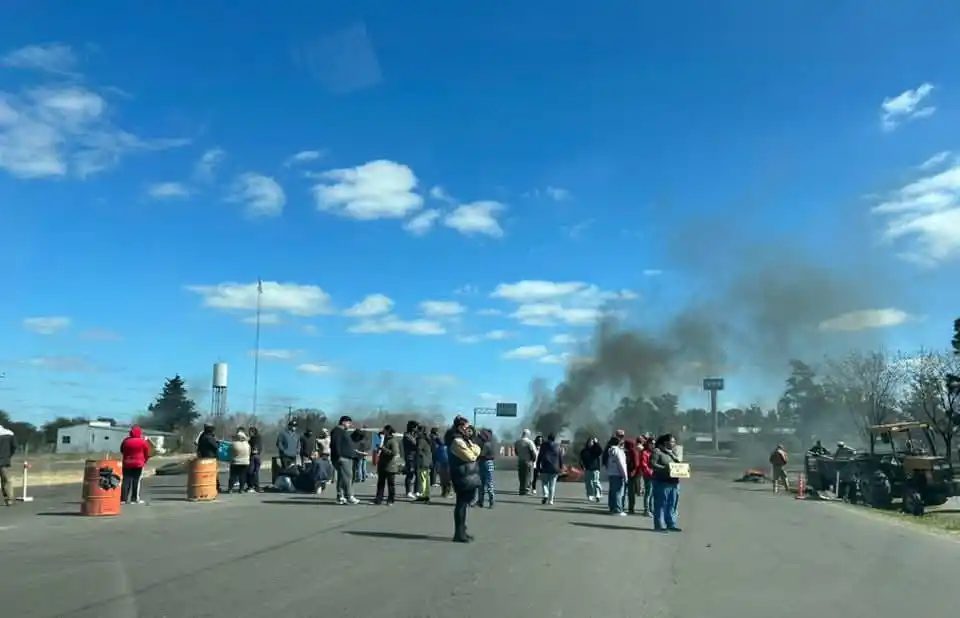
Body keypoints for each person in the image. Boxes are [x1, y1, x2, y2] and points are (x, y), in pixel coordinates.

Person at [445, 415, 481, 543]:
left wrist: (473, 446)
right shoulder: (457, 441)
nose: (468, 429)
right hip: (461, 475)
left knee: (464, 504)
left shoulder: (464, 439)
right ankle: (459, 533)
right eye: (466, 427)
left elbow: (474, 451)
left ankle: (462, 530)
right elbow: (470, 456)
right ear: (460, 427)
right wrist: (475, 448)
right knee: (461, 504)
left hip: (467, 475)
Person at [650, 433, 682, 532]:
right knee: (660, 505)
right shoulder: (657, 451)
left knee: (672, 504)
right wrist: (665, 468)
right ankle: (659, 525)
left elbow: (678, 464)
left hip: (674, 482)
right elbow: (652, 464)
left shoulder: (673, 453)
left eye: (674, 442)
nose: (673, 444)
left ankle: (671, 524)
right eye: (671, 441)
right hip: (661, 482)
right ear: (665, 442)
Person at [330, 415, 362, 505]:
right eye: (348, 422)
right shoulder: (337, 431)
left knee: (342, 478)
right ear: (343, 422)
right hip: (342, 458)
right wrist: (339, 456)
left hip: (346, 457)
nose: (350, 424)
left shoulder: (342, 431)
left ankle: (341, 496)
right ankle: (349, 496)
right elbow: (336, 444)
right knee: (348, 477)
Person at [119, 425, 152, 505]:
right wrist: (144, 460)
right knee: (136, 480)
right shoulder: (142, 442)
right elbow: (147, 453)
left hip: (127, 463)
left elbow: (122, 450)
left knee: (126, 480)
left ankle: (123, 499)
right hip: (138, 464)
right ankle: (134, 498)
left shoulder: (126, 441)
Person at [374, 425, 403, 505]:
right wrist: (379, 449)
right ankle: (378, 499)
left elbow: (394, 453)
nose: (383, 432)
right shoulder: (383, 439)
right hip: (382, 465)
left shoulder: (393, 441)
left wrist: (383, 448)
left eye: (385, 430)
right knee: (380, 484)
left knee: (391, 484)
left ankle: (391, 499)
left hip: (390, 466)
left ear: (388, 431)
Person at [536, 432, 563, 506]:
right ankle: (551, 500)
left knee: (544, 483)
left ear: (548, 438)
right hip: (555, 468)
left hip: (545, 467)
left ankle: (545, 494)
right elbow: (560, 457)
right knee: (552, 485)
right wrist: (561, 467)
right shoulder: (558, 446)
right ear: (554, 439)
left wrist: (538, 467)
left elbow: (540, 457)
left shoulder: (543, 445)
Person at [196, 423, 222, 493]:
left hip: (203, 456)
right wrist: (218, 442)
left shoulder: (202, 436)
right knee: (212, 472)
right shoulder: (209, 437)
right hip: (210, 457)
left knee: (206, 473)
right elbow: (216, 446)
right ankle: (216, 487)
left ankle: (207, 486)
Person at [605, 434, 627, 516]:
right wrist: (625, 475)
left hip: (611, 473)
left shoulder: (610, 450)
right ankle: (618, 509)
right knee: (618, 492)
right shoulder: (618, 451)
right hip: (618, 473)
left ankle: (612, 507)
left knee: (613, 491)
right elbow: (621, 464)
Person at [476, 428, 498, 508]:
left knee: (487, 483)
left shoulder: (486, 444)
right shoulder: (490, 443)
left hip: (485, 463)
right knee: (485, 483)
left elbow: (482, 454)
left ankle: (488, 501)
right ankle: (483, 501)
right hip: (487, 463)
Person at [579, 436, 603, 502]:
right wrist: (582, 466)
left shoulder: (595, 449)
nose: (590, 443)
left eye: (592, 442)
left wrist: (596, 443)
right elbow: (581, 459)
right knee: (588, 483)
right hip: (587, 469)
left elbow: (600, 451)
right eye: (589, 442)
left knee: (596, 482)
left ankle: (598, 495)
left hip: (595, 469)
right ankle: (590, 495)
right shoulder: (584, 451)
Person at [514, 429, 537, 496]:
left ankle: (521, 489)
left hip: (520, 461)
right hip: (528, 461)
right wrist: (533, 460)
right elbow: (533, 452)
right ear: (528, 434)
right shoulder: (529, 442)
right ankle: (526, 490)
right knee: (528, 476)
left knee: (521, 476)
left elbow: (516, 452)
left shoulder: (517, 442)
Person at [228, 428, 252, 493]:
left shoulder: (234, 444)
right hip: (245, 462)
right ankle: (241, 489)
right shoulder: (247, 444)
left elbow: (230, 452)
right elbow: (249, 452)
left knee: (233, 476)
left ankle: (230, 489)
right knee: (243, 476)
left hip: (235, 462)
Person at [0, 423, 17, 507]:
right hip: (4, 461)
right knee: (6, 481)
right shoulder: (10, 433)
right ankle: (9, 499)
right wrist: (8, 456)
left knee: (5, 480)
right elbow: (14, 447)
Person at [415, 426, 433, 502]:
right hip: (427, 461)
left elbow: (418, 450)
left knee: (423, 479)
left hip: (422, 461)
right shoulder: (426, 439)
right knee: (425, 479)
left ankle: (424, 495)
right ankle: (426, 494)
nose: (416, 432)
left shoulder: (421, 440)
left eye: (418, 431)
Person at [624, 438, 642, 514]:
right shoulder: (635, 450)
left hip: (632, 474)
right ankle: (631, 508)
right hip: (635, 473)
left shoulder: (632, 451)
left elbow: (635, 463)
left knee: (631, 492)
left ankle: (631, 508)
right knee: (631, 492)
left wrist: (632, 471)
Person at [402, 421, 420, 498]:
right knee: (410, 474)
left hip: (416, 457)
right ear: (412, 428)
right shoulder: (407, 436)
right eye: (416, 427)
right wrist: (418, 438)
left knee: (418, 474)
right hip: (410, 457)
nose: (417, 429)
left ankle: (416, 491)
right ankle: (408, 491)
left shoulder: (414, 435)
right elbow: (415, 443)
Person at [639, 437, 655, 516]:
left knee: (652, 493)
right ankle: (646, 509)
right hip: (648, 475)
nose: (653, 445)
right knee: (648, 492)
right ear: (648, 444)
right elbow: (643, 465)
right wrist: (650, 472)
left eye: (654, 444)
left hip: (654, 475)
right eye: (651, 443)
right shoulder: (644, 452)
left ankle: (651, 509)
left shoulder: (653, 452)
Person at [246, 426, 262, 493]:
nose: (249, 433)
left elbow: (251, 446)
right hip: (258, 456)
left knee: (250, 472)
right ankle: (257, 486)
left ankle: (251, 486)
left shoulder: (252, 439)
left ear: (253, 432)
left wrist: (248, 440)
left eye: (250, 432)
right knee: (256, 472)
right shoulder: (259, 438)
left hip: (253, 456)